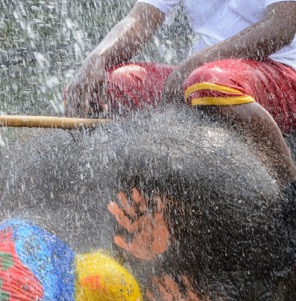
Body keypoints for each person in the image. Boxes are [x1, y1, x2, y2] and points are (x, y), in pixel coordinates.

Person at [65, 1, 296, 183]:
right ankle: (102, 187)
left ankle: (289, 192)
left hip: (279, 72)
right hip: (202, 77)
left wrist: (197, 63)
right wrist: (97, 59)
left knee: (207, 81)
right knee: (106, 87)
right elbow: (139, 20)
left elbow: (283, 26)